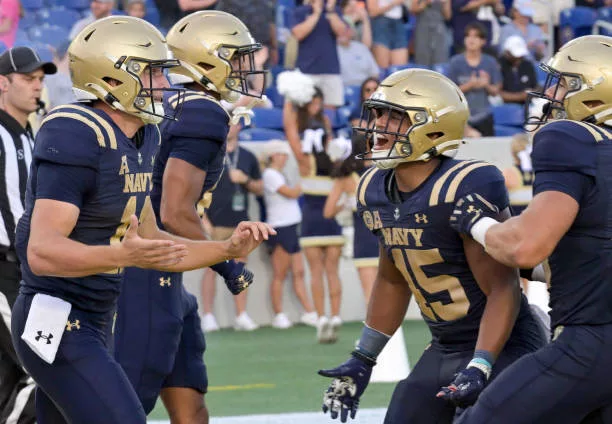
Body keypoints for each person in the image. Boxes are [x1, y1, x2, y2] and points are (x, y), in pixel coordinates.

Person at [10, 16, 273, 424]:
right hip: (57, 316)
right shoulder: (75, 132)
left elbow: (155, 242)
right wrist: (124, 255)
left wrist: (225, 249)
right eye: (152, 73)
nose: (166, 86)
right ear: (112, 79)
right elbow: (43, 253)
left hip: (98, 316)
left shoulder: (145, 135)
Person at [318, 68, 546, 423]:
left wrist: (481, 364)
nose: (378, 125)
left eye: (393, 117)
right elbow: (392, 280)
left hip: (504, 345)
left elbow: (503, 288)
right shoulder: (373, 188)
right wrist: (364, 357)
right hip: (445, 344)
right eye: (377, 114)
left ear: (433, 127)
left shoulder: (465, 184)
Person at [113, 11, 268, 424]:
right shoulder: (203, 112)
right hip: (149, 267)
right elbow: (174, 211)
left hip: (161, 269)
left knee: (189, 403)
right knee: (124, 405)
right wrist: (226, 263)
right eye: (235, 59)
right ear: (207, 59)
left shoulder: (173, 103)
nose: (242, 69)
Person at [451, 34, 612, 424]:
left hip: (593, 341)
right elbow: (592, 251)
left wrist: (478, 224)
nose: (550, 92)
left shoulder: (570, 137)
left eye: (563, 82)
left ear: (594, 93)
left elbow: (526, 247)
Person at [0, 46, 55, 424]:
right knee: (45, 372)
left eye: (40, 80)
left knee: (9, 376)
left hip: (27, 270)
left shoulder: (29, 135)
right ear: (3, 83)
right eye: (27, 79)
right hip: (7, 270)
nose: (36, 87)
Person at [284, 85, 345, 343]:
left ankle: (321, 317)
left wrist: (289, 97)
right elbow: (325, 133)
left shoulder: (304, 161)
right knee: (332, 270)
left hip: (311, 214)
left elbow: (290, 132)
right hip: (331, 214)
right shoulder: (334, 160)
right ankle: (334, 317)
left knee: (317, 271)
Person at [200, 122, 264, 333]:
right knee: (211, 269)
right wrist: (203, 219)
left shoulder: (247, 155)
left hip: (241, 222)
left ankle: (241, 315)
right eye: (226, 122)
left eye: (235, 122)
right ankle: (208, 315)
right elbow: (196, 188)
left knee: (240, 268)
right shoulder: (209, 154)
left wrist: (245, 179)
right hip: (214, 222)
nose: (230, 127)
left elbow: (260, 189)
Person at [262, 140, 317, 329]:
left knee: (299, 272)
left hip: (291, 227)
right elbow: (291, 194)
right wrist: (307, 180)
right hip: (280, 227)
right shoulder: (270, 174)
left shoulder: (279, 174)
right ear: (273, 156)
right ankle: (278, 314)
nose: (285, 158)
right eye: (282, 154)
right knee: (280, 274)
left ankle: (309, 312)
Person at [323, 132, 378, 304]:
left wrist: (346, 204)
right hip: (386, 236)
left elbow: (328, 212)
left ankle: (378, 331)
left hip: (363, 238)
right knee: (390, 293)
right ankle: (395, 331)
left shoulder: (346, 178)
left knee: (371, 295)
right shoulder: (383, 172)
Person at [290, 0, 347, 109]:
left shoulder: (334, 11)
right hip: (305, 70)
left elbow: (342, 32)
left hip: (330, 70)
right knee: (303, 110)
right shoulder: (301, 11)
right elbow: (298, 34)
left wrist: (330, 11)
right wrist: (316, 14)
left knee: (330, 112)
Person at [448, 22, 502, 137]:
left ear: (483, 41)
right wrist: (469, 85)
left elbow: (496, 91)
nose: (471, 40)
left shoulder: (490, 62)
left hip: (484, 116)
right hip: (461, 117)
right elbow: (449, 92)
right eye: (468, 36)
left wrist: (486, 85)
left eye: (476, 36)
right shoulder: (455, 62)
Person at [366, 0, 408, 68]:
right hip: (381, 23)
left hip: (399, 23)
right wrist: (394, 3)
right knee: (383, 69)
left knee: (400, 70)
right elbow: (372, 12)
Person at [411, 0, 451, 68]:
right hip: (423, 28)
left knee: (440, 58)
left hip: (439, 29)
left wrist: (445, 4)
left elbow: (448, 16)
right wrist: (425, 3)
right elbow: (413, 10)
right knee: (422, 59)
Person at [498, 35, 537, 106]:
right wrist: (520, 96)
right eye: (515, 55)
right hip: (504, 106)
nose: (518, 58)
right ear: (507, 53)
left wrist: (531, 93)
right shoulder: (498, 65)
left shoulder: (527, 65)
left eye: (521, 55)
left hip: (527, 106)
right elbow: (497, 94)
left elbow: (535, 87)